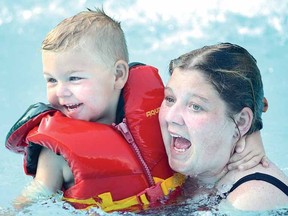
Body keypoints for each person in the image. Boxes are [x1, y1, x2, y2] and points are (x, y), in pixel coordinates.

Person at [5, 8, 267, 213]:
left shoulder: (159, 109)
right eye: (51, 80)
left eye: (74, 79)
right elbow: (33, 201)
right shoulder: (55, 154)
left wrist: (251, 134)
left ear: (118, 75)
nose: (60, 91)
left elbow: (229, 98)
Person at [159, 42, 288, 211]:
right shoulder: (198, 165)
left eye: (196, 106)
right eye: (170, 99)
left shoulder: (251, 198)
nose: (171, 117)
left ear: (241, 121)